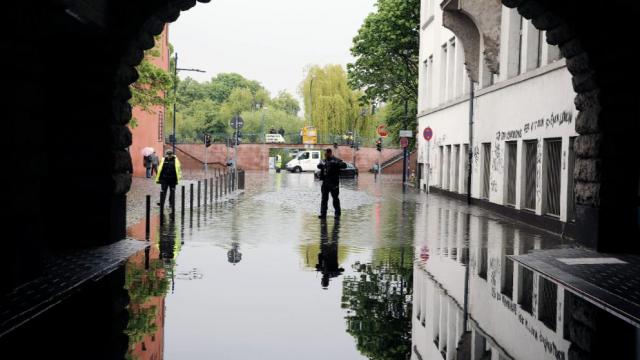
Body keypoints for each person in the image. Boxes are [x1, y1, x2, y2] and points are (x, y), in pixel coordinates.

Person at [317, 148, 347, 219]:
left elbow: (344, 165)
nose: (325, 155)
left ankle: (337, 214)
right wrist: (320, 164)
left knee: (335, 199)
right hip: (325, 183)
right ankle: (323, 214)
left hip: (334, 183)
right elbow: (318, 166)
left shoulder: (336, 160)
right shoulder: (323, 161)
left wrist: (336, 163)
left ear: (330, 153)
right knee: (324, 199)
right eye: (324, 154)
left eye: (326, 154)